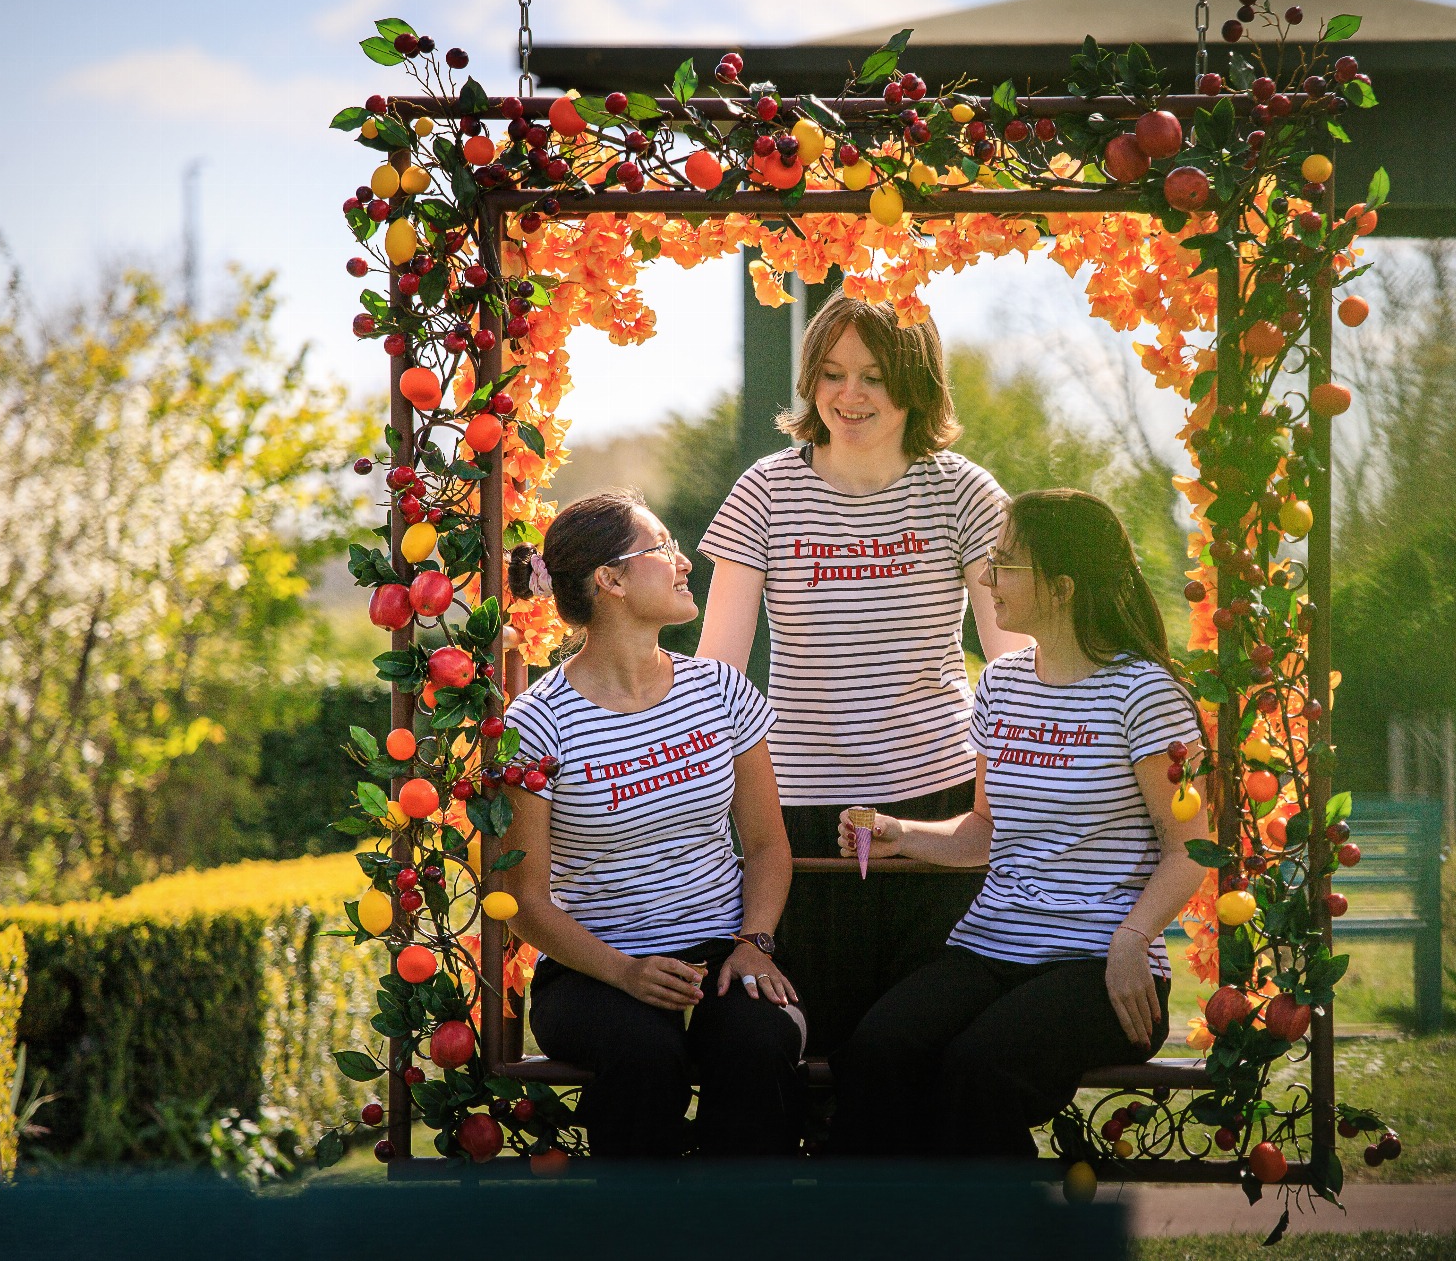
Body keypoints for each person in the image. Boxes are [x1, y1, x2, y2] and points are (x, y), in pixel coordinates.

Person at [696, 292, 1031, 1057]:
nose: (849, 395)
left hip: (941, 804)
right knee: (821, 1040)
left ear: (916, 385)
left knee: (914, 1044)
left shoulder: (963, 491)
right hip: (800, 809)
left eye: (875, 376)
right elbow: (718, 674)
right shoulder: (766, 490)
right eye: (833, 373)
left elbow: (1015, 663)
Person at [827, 489, 1207, 1157]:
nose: (986, 578)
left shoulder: (1146, 694)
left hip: (1102, 968)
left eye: (1004, 563)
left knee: (977, 1075)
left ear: (1062, 587)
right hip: (990, 947)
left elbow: (1192, 849)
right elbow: (984, 830)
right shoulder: (1001, 684)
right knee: (877, 1052)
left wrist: (1133, 938)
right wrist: (900, 833)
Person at [500, 490, 805, 1157]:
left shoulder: (722, 691)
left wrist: (755, 942)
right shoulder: (535, 724)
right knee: (643, 1052)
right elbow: (525, 902)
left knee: (759, 1041)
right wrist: (624, 972)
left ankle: (752, 1214)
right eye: (663, 548)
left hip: (725, 952)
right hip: (592, 971)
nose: (684, 561)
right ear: (610, 580)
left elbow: (765, 845)